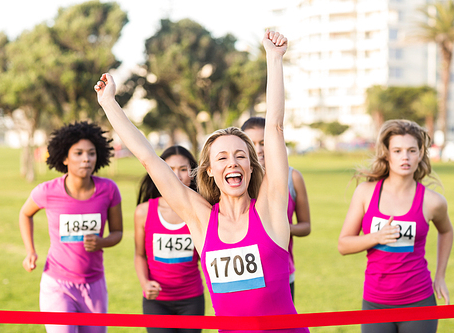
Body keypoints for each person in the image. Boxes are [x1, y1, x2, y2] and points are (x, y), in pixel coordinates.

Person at [95, 30, 309, 333]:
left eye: (240, 156)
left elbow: (274, 126)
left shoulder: (271, 208)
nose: (232, 163)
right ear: (208, 169)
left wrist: (274, 59)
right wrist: (108, 104)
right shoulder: (200, 219)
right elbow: (149, 159)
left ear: (251, 166)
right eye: (222, 158)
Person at [338, 119, 453, 333]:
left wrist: (440, 276)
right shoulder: (365, 193)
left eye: (411, 150)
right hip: (375, 303)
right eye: (398, 150)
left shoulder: (433, 201)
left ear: (420, 153)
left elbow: (446, 231)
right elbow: (343, 245)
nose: (405, 157)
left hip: (419, 301)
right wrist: (376, 237)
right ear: (387, 154)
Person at [19, 122, 123, 333]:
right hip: (57, 284)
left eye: (91, 153)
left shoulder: (109, 190)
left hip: (94, 286)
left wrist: (102, 242)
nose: (86, 158)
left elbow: (118, 233)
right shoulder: (47, 191)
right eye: (78, 153)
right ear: (65, 158)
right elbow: (25, 213)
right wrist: (30, 251)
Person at [135, 145, 205, 333]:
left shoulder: (202, 211)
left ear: (193, 174)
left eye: (184, 169)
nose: (177, 176)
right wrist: (144, 283)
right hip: (156, 302)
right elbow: (140, 255)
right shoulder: (143, 212)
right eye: (169, 169)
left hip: (192, 300)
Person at [241, 117, 310, 301]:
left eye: (263, 142)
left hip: (281, 273)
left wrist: (279, 229)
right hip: (244, 277)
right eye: (252, 143)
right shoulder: (237, 181)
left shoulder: (292, 178)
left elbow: (305, 226)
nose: (259, 149)